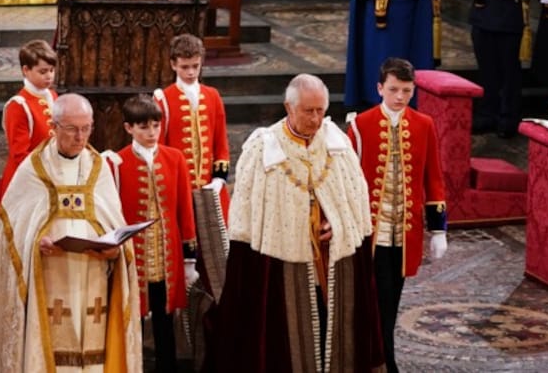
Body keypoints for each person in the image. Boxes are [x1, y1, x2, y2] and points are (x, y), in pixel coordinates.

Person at [209, 74, 385, 372]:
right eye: (308, 111)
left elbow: (355, 206)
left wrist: (337, 225)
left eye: (321, 110)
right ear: (289, 108)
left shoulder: (337, 145)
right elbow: (246, 220)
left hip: (331, 264)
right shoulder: (262, 149)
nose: (316, 119)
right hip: (280, 268)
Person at [0, 93, 143, 372]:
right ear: (54, 126)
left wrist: (116, 250)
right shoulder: (34, 167)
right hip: (51, 278)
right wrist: (34, 244)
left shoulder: (98, 168)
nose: (80, 137)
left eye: (86, 128)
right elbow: (10, 230)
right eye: (72, 129)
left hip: (94, 281)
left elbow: (114, 222)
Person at [347, 58, 448, 373]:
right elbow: (346, 180)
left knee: (391, 302)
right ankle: (384, 362)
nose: (400, 97)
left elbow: (433, 177)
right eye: (393, 89)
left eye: (406, 90)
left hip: (405, 234)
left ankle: (379, 358)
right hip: (370, 233)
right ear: (380, 88)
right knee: (375, 301)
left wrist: (439, 230)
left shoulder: (424, 124)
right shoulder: (359, 125)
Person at [103, 94, 199, 373]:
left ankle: (166, 366)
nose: (152, 133)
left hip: (167, 260)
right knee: (131, 317)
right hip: (135, 258)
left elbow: (184, 209)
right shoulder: (116, 163)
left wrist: (189, 257)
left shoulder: (175, 158)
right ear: (129, 128)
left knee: (165, 319)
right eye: (144, 127)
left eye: (156, 126)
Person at [465, 0, 545, 138]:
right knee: (487, 70)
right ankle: (487, 114)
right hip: (483, 15)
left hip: (509, 16)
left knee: (509, 72)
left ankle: (507, 118)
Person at [154, 33, 231, 221]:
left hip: (209, 186)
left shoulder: (212, 96)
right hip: (178, 187)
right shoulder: (163, 99)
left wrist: (219, 179)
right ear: (173, 64)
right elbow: (160, 147)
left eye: (195, 66)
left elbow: (221, 141)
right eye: (184, 67)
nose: (190, 73)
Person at [0, 39, 58, 194]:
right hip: (27, 179)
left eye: (52, 70)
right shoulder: (18, 106)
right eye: (43, 71)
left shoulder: (52, 96)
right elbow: (19, 154)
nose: (49, 76)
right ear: (26, 70)